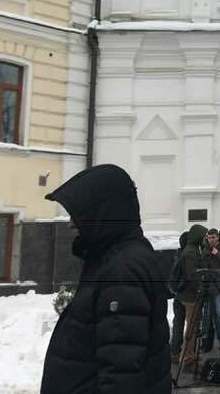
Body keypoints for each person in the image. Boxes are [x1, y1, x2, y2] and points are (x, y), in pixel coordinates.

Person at [40, 164, 170, 394]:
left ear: (103, 213)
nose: (71, 223)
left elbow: (122, 373)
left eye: (78, 215)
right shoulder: (112, 259)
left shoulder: (123, 271)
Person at [168, 223, 208, 361]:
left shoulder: (188, 250)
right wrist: (201, 286)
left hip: (183, 294)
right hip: (190, 296)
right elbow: (193, 275)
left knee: (180, 323)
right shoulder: (191, 252)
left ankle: (176, 353)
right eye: (204, 236)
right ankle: (188, 358)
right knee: (192, 327)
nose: (205, 239)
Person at [199, 227, 220, 353]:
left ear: (218, 237)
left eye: (214, 237)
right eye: (209, 237)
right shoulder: (203, 248)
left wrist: (217, 253)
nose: (211, 240)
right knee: (206, 316)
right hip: (206, 285)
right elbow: (201, 263)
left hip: (219, 286)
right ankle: (205, 341)